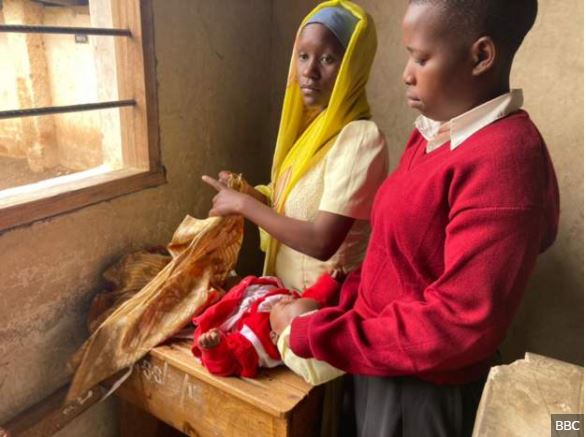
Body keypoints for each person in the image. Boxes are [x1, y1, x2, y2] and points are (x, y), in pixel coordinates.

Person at [271, 1, 560, 436]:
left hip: (422, 390)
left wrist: (315, 333)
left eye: (421, 58)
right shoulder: (433, 132)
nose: (407, 73)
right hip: (380, 360)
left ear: (481, 56)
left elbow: (460, 321)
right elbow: (399, 260)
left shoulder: (506, 162)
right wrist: (338, 301)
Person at [202, 1, 388, 293]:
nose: (309, 71)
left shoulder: (360, 138)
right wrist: (247, 193)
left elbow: (321, 241)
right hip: (285, 299)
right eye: (303, 56)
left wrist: (244, 205)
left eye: (327, 59)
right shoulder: (312, 132)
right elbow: (288, 212)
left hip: (325, 307)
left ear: (353, 65)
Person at [193, 272, 344, 383]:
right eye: (293, 300)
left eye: (287, 304)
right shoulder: (292, 316)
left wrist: (213, 349)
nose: (289, 297)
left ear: (274, 336)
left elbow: (227, 364)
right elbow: (313, 299)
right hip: (254, 295)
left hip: (230, 315)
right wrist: (329, 283)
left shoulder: (252, 346)